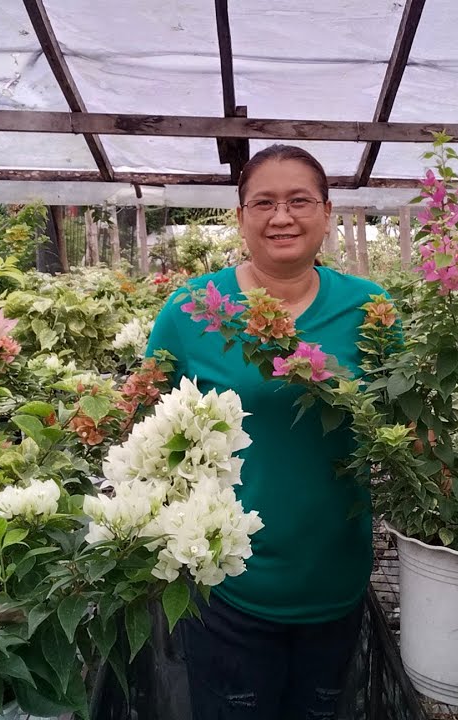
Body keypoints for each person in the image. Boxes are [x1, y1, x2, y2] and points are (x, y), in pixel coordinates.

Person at [144, 144, 388, 719]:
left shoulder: (371, 311)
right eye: (264, 203)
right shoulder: (190, 312)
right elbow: (148, 432)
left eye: (300, 201)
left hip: (333, 572)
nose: (282, 217)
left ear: (327, 214)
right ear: (241, 217)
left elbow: (404, 420)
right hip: (228, 580)